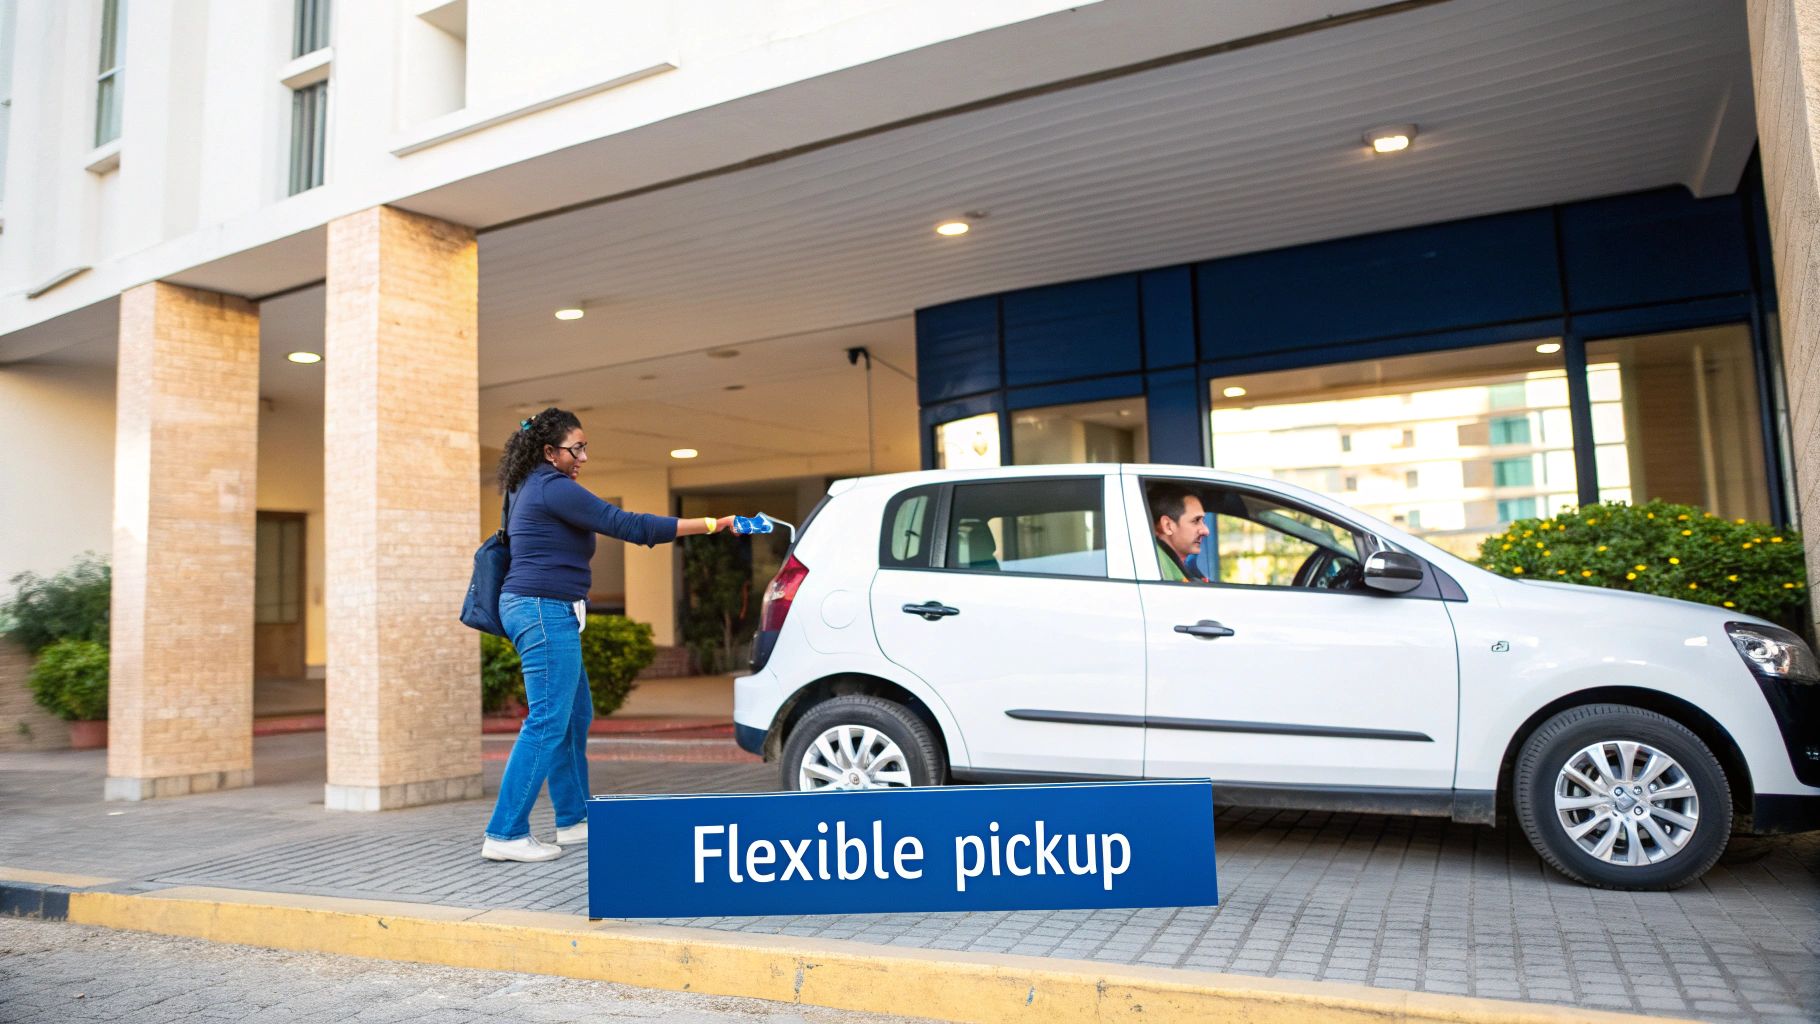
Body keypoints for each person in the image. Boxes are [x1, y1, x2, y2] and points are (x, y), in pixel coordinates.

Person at [482, 407, 737, 863]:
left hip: (544, 608)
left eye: (585, 447)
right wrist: (714, 524)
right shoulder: (551, 486)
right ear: (548, 451)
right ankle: (505, 833)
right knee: (546, 721)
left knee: (574, 716)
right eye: (574, 448)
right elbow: (629, 526)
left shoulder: (529, 486)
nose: (582, 456)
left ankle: (573, 821)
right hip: (542, 609)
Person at [1148, 483, 1211, 583]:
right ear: (1168, 525)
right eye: (1196, 520)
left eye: (1203, 521)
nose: (1206, 531)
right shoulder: (1155, 565)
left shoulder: (1165, 563)